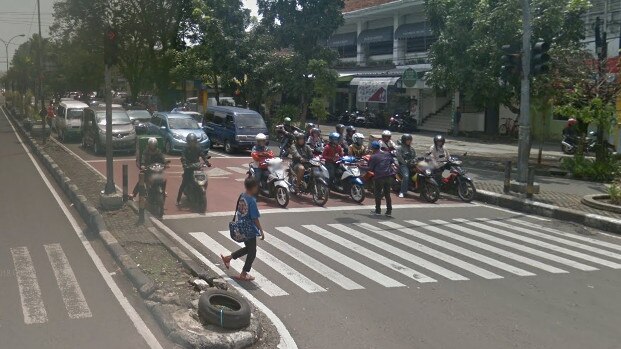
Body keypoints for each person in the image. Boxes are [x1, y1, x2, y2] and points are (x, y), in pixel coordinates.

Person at [220, 177, 265, 281]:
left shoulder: (242, 196)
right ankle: (244, 274)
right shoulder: (252, 201)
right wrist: (261, 230)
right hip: (249, 229)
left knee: (249, 249)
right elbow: (255, 218)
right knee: (252, 252)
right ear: (253, 187)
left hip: (241, 227)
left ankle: (228, 258)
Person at [176, 133, 209, 206]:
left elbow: (202, 155)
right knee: (183, 183)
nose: (192, 143)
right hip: (188, 168)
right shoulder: (185, 149)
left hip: (197, 167)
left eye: (193, 141)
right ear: (188, 142)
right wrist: (184, 164)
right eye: (190, 142)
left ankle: (199, 190)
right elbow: (183, 157)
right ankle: (178, 200)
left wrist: (206, 161)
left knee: (204, 177)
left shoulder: (198, 148)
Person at [367, 141, 396, 217]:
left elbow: (370, 168)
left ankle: (378, 211)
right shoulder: (387, 154)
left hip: (379, 177)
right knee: (387, 194)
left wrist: (359, 166)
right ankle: (389, 211)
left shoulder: (373, 157)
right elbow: (392, 162)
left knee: (377, 194)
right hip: (388, 176)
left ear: (372, 148)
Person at [395, 134, 416, 198]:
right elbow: (399, 157)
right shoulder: (399, 148)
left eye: (410, 140)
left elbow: (414, 156)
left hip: (412, 164)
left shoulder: (411, 149)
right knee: (406, 176)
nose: (409, 141)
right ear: (404, 140)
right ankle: (402, 192)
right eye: (408, 140)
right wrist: (405, 162)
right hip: (403, 165)